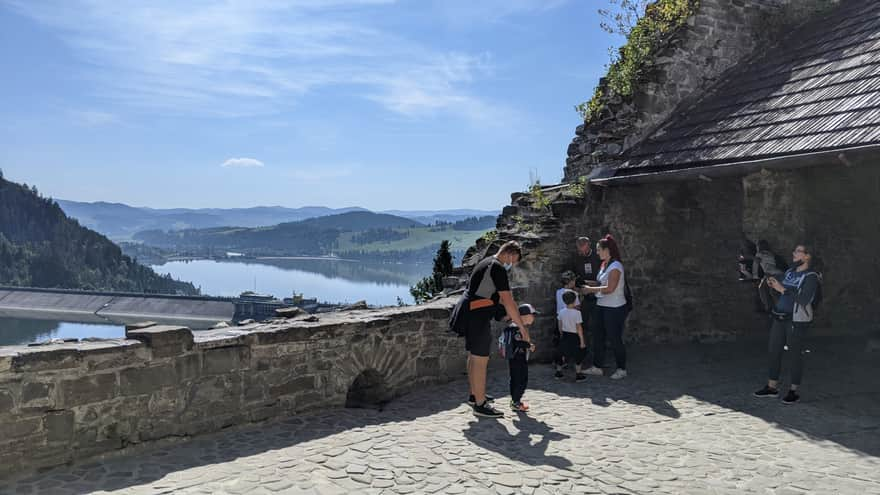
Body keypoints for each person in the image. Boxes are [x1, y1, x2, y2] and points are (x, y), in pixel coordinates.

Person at [462, 241, 529, 418]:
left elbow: (495, 297)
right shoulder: (497, 267)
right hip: (477, 316)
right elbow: (508, 300)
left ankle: (474, 394)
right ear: (510, 253)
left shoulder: (487, 263)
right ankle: (480, 404)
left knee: (473, 356)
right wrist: (521, 327)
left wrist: (502, 315)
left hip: (471, 313)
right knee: (480, 359)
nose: (513, 265)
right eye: (514, 260)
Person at [754, 244, 822, 404]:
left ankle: (793, 390)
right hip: (780, 316)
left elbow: (804, 299)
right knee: (773, 351)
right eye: (795, 250)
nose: (793, 253)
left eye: (798, 251)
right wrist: (773, 282)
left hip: (796, 320)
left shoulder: (811, 276)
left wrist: (782, 289)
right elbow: (782, 284)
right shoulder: (790, 272)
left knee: (795, 355)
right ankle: (772, 387)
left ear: (807, 256)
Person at [582, 235, 628, 379]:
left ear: (607, 250)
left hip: (614, 308)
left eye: (598, 250)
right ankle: (597, 367)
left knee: (615, 338)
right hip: (601, 305)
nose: (597, 252)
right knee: (598, 337)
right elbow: (600, 283)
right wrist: (584, 283)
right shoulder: (604, 265)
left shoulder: (616, 266)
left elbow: (610, 288)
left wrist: (590, 290)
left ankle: (622, 369)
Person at [500, 304, 539, 412]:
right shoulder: (517, 327)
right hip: (518, 358)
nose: (534, 318)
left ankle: (515, 401)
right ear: (525, 316)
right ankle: (516, 402)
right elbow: (517, 342)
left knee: (515, 379)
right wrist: (529, 346)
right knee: (521, 380)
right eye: (532, 315)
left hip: (513, 358)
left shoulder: (512, 326)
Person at [573, 237, 601, 366]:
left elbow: (601, 280)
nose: (581, 251)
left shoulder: (597, 256)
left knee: (597, 327)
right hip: (583, 297)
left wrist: (588, 283)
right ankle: (584, 355)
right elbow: (574, 277)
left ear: (589, 245)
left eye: (583, 247)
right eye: (579, 248)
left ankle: (598, 358)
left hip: (598, 296)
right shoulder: (577, 258)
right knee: (582, 325)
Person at [555, 290, 587, 381]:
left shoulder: (561, 312)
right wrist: (582, 341)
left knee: (562, 353)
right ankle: (578, 374)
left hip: (565, 335)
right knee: (578, 355)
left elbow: (559, 325)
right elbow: (579, 328)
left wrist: (561, 334)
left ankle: (558, 372)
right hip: (575, 336)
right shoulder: (577, 313)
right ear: (575, 300)